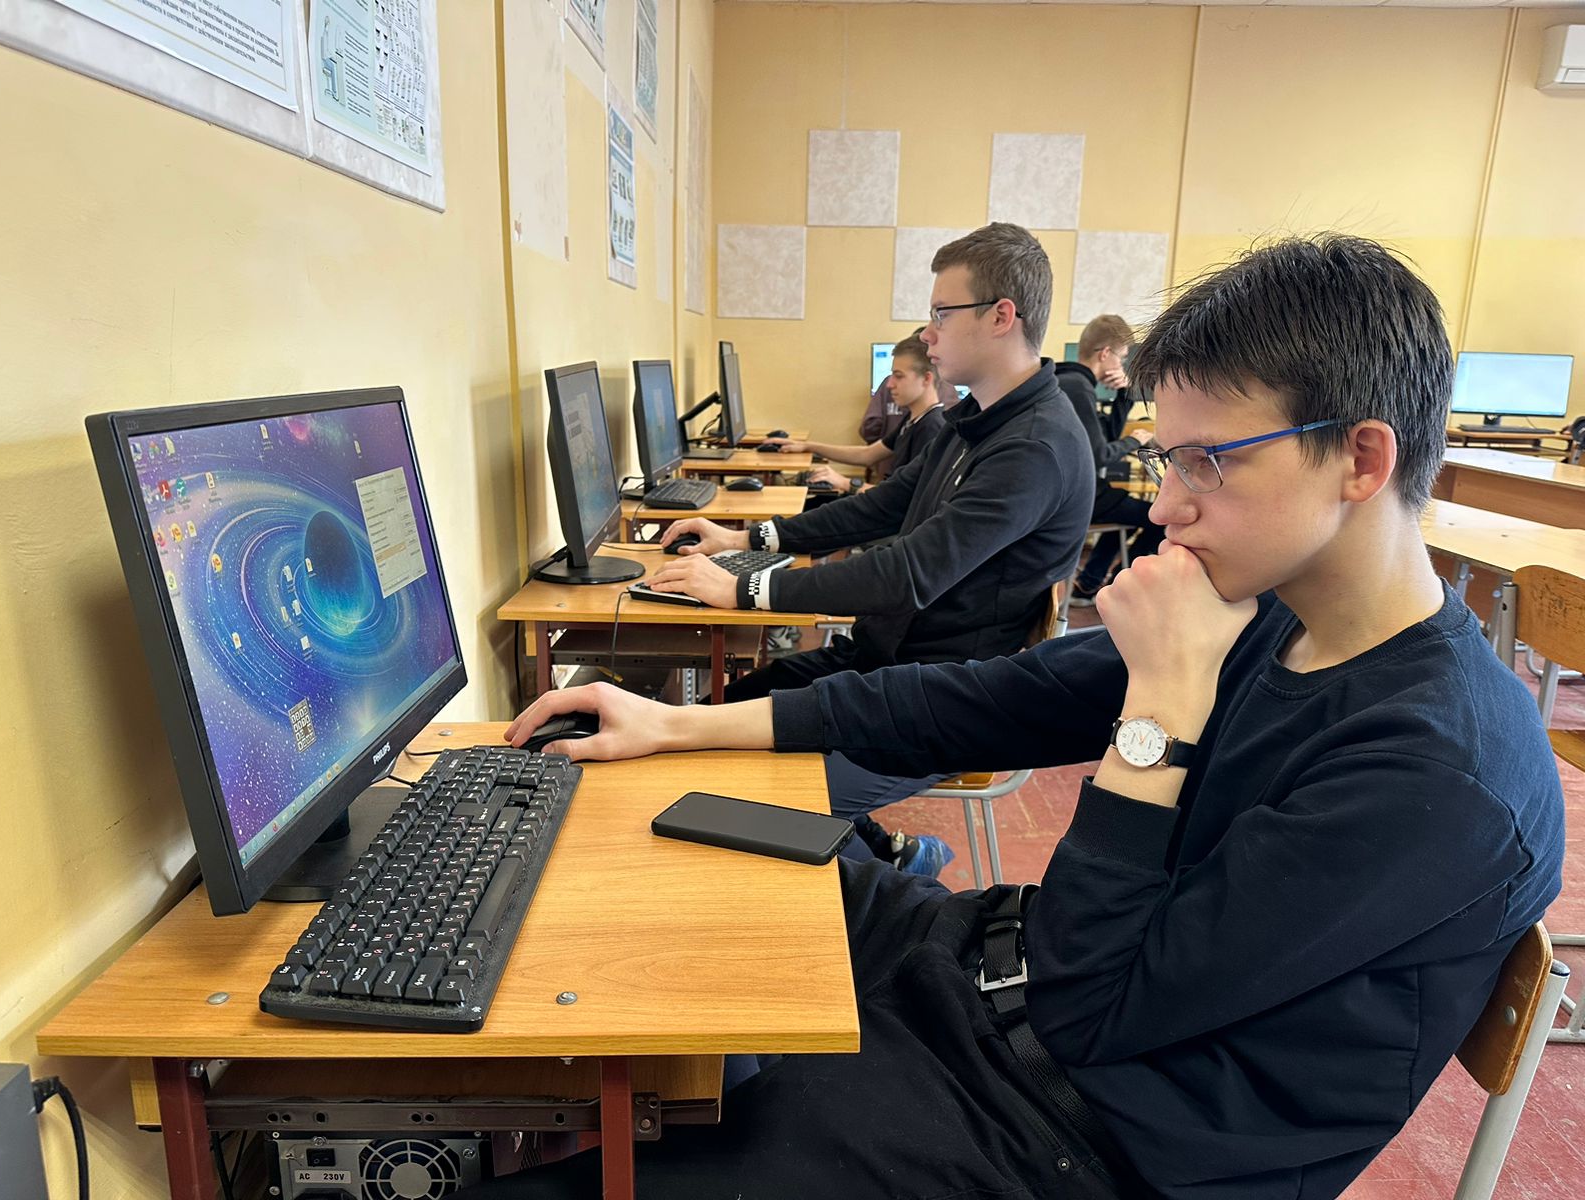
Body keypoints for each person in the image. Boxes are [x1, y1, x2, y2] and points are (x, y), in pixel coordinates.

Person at [491, 234, 1565, 1200]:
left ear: (1362, 461)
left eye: (1209, 461)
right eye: (1168, 457)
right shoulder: (1270, 613)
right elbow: (973, 704)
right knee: (669, 848)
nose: (1164, 504)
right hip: (991, 976)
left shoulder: (1440, 775)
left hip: (1064, 1132)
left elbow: (1090, 1005)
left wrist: (1160, 712)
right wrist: (672, 727)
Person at [644, 222, 1094, 831]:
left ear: (1000, 317)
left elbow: (908, 575)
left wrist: (745, 588)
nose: (928, 334)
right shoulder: (977, 419)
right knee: (735, 705)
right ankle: (892, 851)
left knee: (741, 795)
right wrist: (745, 539)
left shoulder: (1035, 448)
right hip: (884, 660)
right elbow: (881, 506)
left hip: (939, 698)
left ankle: (883, 866)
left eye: (941, 313)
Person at [1057, 315, 1166, 604]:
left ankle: (1089, 582)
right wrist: (1137, 440)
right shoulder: (1077, 387)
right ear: (1105, 353)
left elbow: (1106, 439)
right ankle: (1119, 585)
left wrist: (1124, 394)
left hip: (1079, 493)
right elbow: (1100, 455)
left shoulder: (1071, 382)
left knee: (1127, 515)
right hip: (1081, 497)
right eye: (1122, 358)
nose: (1121, 365)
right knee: (1160, 520)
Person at [764, 333, 947, 498]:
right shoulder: (913, 420)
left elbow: (904, 500)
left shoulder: (931, 427)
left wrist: (845, 483)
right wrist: (808, 446)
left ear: (926, 379)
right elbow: (867, 455)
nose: (889, 384)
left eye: (898, 376)